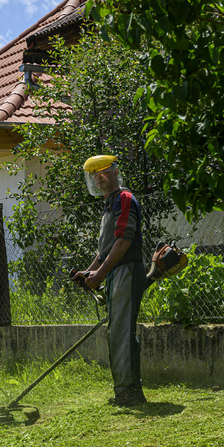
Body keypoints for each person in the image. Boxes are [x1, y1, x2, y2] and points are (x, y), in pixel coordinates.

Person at [72, 155, 147, 406]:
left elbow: (124, 240)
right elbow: (105, 249)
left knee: (121, 332)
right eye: (94, 174)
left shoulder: (124, 199)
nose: (98, 177)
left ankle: (127, 393)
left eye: (103, 171)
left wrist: (101, 273)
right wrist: (89, 271)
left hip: (127, 270)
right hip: (117, 271)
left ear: (115, 172)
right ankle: (130, 389)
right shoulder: (109, 205)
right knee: (119, 331)